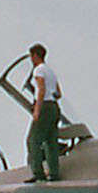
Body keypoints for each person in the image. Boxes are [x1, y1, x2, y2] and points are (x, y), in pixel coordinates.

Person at [24, 41, 63, 182]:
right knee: (51, 142)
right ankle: (54, 174)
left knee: (33, 141)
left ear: (35, 56)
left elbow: (41, 90)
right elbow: (59, 93)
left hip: (44, 106)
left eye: (31, 56)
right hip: (54, 107)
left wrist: (37, 110)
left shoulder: (38, 70)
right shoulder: (51, 72)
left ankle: (38, 173)